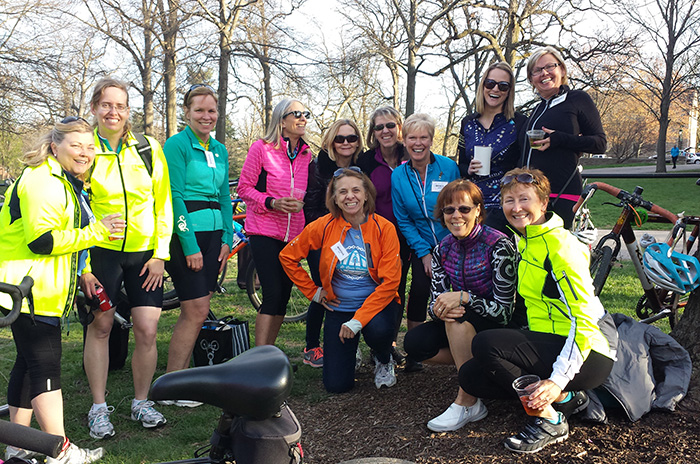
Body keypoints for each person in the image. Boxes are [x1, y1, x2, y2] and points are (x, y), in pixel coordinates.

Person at [458, 168, 618, 454]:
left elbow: (583, 321)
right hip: (554, 339)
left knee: (485, 344)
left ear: (543, 204)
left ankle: (550, 419)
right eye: (509, 201)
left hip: (589, 351)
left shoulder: (561, 247)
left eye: (524, 199)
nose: (516, 208)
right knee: (471, 375)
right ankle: (569, 400)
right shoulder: (528, 240)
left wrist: (556, 380)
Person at [0, 117, 125, 463]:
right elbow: (41, 241)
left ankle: (18, 445)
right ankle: (60, 451)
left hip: (37, 291)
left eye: (89, 147)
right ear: (55, 146)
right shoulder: (43, 180)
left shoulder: (64, 180)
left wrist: (83, 270)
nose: (85, 153)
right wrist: (96, 233)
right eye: (76, 146)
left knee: (27, 366)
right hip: (27, 290)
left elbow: (63, 234)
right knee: (44, 370)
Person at [81, 78, 173, 438]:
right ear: (94, 108)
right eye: (106, 105)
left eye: (120, 106)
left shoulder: (148, 148)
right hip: (102, 254)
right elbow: (74, 209)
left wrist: (160, 256)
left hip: (145, 257)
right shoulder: (85, 152)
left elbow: (164, 203)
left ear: (128, 110)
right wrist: (84, 268)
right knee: (101, 327)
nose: (113, 112)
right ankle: (99, 408)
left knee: (148, 330)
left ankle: (141, 402)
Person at [403, 179, 521, 432]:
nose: (456, 215)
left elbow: (504, 311)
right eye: (449, 210)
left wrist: (465, 298)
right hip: (462, 317)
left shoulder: (499, 245)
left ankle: (467, 399)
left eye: (464, 209)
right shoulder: (442, 248)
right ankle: (481, 374)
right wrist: (440, 308)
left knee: (458, 319)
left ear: (478, 210)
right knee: (415, 343)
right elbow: (436, 299)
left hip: (500, 324)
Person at [279, 168, 401, 392]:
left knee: (379, 331)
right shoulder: (323, 226)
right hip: (339, 307)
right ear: (334, 198)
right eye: (342, 192)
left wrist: (357, 321)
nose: (350, 196)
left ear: (366, 194)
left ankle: (383, 358)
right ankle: (350, 347)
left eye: (356, 190)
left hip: (376, 307)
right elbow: (287, 256)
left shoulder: (384, 228)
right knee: (337, 386)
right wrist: (313, 292)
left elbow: (391, 283)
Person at [161, 84, 233, 397]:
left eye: (211, 110)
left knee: (199, 309)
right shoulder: (176, 145)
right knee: (195, 310)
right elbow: (173, 195)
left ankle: (180, 378)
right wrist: (189, 244)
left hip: (215, 235)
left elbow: (224, 195)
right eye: (200, 110)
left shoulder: (219, 149)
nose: (206, 116)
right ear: (187, 113)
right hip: (186, 234)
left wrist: (228, 237)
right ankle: (172, 385)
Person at [237, 99, 313, 346]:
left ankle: (268, 351)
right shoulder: (261, 148)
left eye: (306, 114)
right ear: (282, 121)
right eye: (297, 114)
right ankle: (259, 357)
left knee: (284, 296)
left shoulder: (306, 153)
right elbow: (244, 188)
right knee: (272, 294)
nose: (303, 119)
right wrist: (272, 202)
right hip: (264, 231)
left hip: (293, 235)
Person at [521, 46, 607, 229]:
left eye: (549, 66)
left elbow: (600, 144)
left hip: (564, 193)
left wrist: (559, 139)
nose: (544, 73)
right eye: (537, 70)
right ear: (531, 79)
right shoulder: (536, 110)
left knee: (563, 253)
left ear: (562, 70)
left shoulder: (577, 99)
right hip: (534, 196)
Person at [301, 119, 363, 368]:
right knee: (324, 290)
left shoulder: (362, 165)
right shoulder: (318, 167)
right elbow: (311, 207)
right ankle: (312, 346)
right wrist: (333, 230)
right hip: (324, 238)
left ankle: (352, 347)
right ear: (331, 141)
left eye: (351, 138)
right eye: (340, 138)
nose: (346, 143)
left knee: (352, 288)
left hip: (357, 237)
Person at [391, 113, 460, 338]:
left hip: (454, 241)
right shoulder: (399, 176)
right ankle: (415, 347)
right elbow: (403, 219)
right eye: (412, 138)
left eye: (423, 137)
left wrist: (454, 242)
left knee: (459, 291)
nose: (417, 143)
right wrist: (424, 253)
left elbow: (460, 205)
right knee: (420, 289)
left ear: (431, 140)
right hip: (423, 244)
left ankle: (460, 341)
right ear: (404, 141)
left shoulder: (448, 167)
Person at [356, 107, 410, 367]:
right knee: (371, 287)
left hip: (407, 234)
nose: (385, 131)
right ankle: (367, 341)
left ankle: (389, 344)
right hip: (374, 236)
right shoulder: (366, 161)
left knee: (397, 289)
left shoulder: (411, 154)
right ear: (373, 132)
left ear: (399, 127)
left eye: (390, 125)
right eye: (379, 127)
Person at [457, 62, 526, 234]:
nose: (495, 89)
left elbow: (524, 164)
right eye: (490, 83)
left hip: (504, 206)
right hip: (472, 205)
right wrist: (469, 169)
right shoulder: (468, 123)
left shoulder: (520, 122)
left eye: (503, 86)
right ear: (483, 86)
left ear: (509, 91)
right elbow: (461, 165)